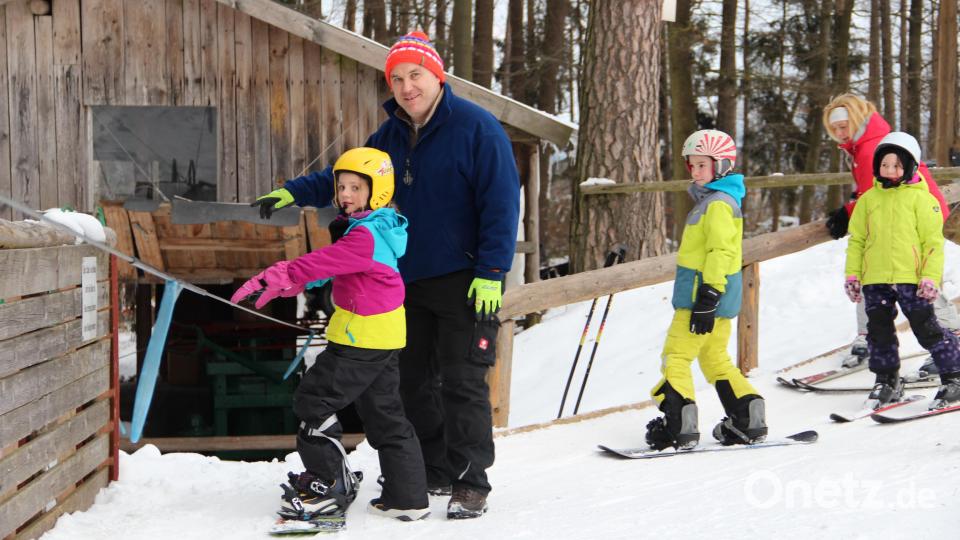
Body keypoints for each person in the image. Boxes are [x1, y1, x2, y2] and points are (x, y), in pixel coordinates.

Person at [250, 31, 520, 519]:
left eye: (415, 75)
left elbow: (501, 203)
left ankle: (470, 482)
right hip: (402, 284)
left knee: (462, 382)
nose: (406, 87)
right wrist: (295, 192)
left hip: (465, 280)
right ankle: (433, 469)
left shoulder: (477, 129)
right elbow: (351, 177)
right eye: (397, 79)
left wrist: (493, 270)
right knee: (411, 383)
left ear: (436, 77)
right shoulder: (391, 135)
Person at [232, 147, 430, 523]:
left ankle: (329, 484)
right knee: (385, 414)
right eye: (341, 187)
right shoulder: (377, 227)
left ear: (378, 191)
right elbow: (341, 266)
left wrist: (281, 275)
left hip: (361, 340)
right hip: (382, 336)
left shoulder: (365, 234)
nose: (346, 195)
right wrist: (297, 283)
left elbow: (324, 261)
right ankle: (407, 497)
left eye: (356, 187)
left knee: (313, 402)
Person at [645, 129, 768, 451]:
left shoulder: (717, 205)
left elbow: (721, 252)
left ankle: (678, 426)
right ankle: (748, 416)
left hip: (701, 298)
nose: (696, 172)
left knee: (676, 356)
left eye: (703, 165)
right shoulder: (719, 201)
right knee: (715, 358)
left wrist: (708, 295)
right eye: (692, 165)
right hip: (716, 299)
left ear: (722, 165)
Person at [822, 94, 960, 372]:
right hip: (896, 217)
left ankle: (951, 337)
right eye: (834, 129)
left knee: (917, 280)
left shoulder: (870, 147)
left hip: (914, 217)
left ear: (856, 121)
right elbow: (873, 193)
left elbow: (878, 192)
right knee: (875, 273)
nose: (840, 133)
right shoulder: (864, 143)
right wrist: (852, 206)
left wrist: (848, 211)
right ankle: (867, 335)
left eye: (843, 126)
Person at [844, 132, 960, 410]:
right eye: (884, 165)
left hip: (912, 279)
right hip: (876, 279)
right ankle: (887, 381)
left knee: (927, 328)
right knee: (878, 332)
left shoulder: (923, 200)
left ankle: (953, 375)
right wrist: (853, 275)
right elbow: (857, 240)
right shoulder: (868, 200)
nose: (890, 170)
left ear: (910, 166)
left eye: (896, 165)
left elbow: (932, 244)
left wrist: (930, 277)